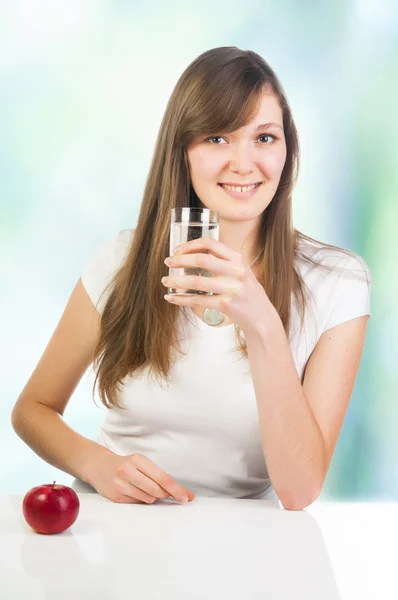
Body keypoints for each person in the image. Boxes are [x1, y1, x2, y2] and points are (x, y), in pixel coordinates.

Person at [11, 46, 372, 510]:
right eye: (218, 138)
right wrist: (96, 464)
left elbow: (299, 490)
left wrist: (263, 324)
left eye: (264, 137)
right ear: (182, 151)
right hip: (121, 528)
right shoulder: (121, 262)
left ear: (288, 150)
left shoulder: (337, 283)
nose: (244, 164)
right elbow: (31, 410)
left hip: (248, 545)